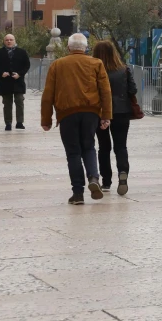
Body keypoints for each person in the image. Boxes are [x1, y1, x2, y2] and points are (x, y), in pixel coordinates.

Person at [39, 33, 111, 205]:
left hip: (67, 113)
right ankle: (93, 177)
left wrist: (46, 119)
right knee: (89, 147)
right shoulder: (96, 63)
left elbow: (48, 94)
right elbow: (105, 91)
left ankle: (78, 193)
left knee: (73, 153)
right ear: (85, 47)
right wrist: (106, 115)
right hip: (91, 112)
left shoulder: (58, 65)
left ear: (69, 48)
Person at [92, 41, 136, 195]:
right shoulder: (124, 69)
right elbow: (133, 89)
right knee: (121, 146)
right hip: (122, 111)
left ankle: (106, 181)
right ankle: (123, 172)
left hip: (101, 112)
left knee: (103, 147)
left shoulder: (94, 70)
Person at [0, 33, 31, 130]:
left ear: (14, 41)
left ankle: (19, 122)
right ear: (4, 41)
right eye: (7, 40)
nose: (9, 41)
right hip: (4, 82)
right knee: (7, 103)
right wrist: (1, 73)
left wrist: (19, 74)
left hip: (18, 81)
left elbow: (27, 65)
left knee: (19, 101)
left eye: (11, 39)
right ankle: (8, 123)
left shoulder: (22, 52)